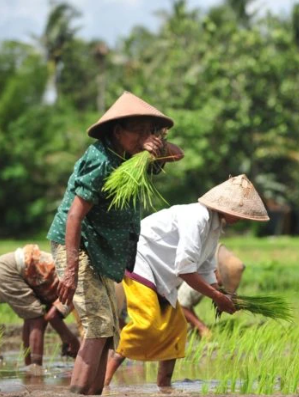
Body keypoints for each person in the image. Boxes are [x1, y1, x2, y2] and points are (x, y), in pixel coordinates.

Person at [47, 91, 184, 395]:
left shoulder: (137, 158)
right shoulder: (101, 160)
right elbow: (74, 216)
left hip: (104, 252)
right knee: (97, 325)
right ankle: (77, 392)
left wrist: (155, 146)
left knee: (108, 330)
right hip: (79, 247)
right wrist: (69, 271)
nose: (143, 136)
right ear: (117, 130)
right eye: (137, 130)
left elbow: (177, 153)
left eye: (149, 130)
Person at [104, 174, 269, 388]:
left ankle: (164, 387)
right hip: (141, 260)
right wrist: (217, 297)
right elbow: (185, 270)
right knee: (146, 323)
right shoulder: (197, 218)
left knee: (176, 328)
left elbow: (206, 267)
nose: (244, 218)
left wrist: (221, 293)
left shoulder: (215, 227)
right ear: (228, 206)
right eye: (242, 212)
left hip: (162, 272)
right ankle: (104, 383)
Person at [0, 244, 80, 369]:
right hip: (11, 270)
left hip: (9, 266)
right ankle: (35, 368)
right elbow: (52, 316)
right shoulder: (78, 289)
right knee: (36, 318)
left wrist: (67, 339)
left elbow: (51, 315)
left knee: (31, 317)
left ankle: (29, 367)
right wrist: (72, 340)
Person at [178, 243, 246, 338]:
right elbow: (180, 305)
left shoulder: (209, 275)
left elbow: (185, 303)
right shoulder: (200, 277)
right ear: (215, 270)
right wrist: (201, 327)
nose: (219, 284)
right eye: (222, 281)